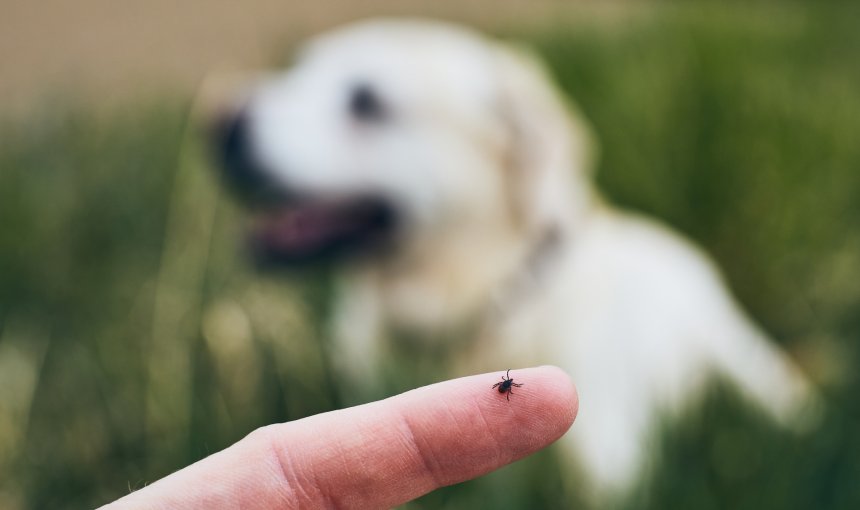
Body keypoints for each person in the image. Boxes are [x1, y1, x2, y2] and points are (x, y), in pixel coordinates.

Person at [99, 366, 577, 509]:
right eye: (507, 385)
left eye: (507, 386)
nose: (506, 388)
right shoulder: (507, 390)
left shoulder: (505, 387)